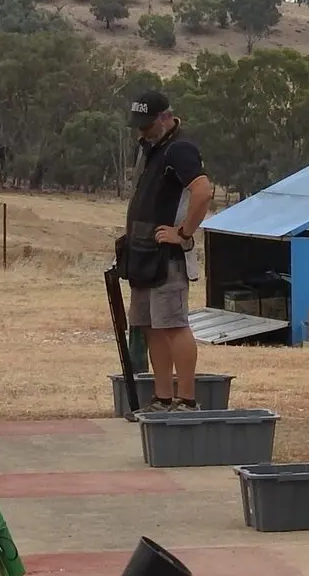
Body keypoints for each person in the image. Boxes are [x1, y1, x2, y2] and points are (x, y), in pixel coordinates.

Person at [117, 90, 212, 412]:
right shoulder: (151, 149)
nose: (142, 131)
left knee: (173, 324)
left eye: (147, 124)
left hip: (167, 258)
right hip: (143, 255)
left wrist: (183, 233)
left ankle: (187, 399)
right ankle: (161, 397)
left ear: (165, 117)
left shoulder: (180, 148)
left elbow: (202, 191)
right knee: (150, 326)